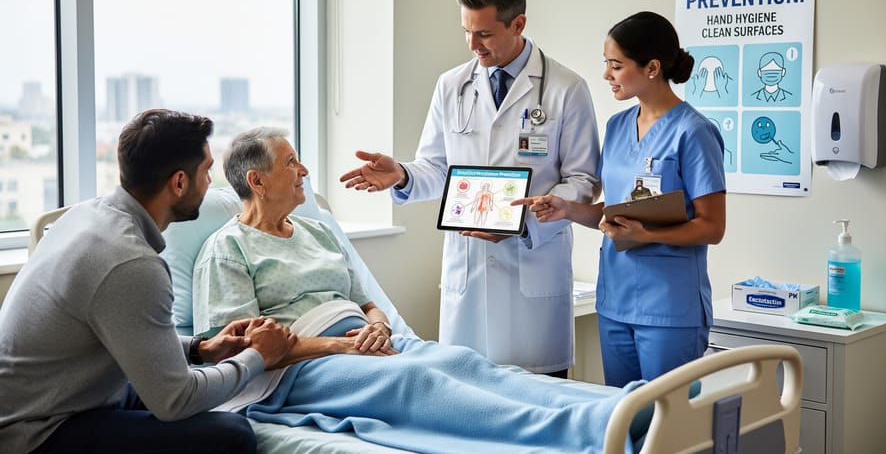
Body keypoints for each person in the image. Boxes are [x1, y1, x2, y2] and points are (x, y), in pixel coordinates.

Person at [191, 128, 645, 454]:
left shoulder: (317, 231)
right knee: (415, 380)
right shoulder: (227, 248)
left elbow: (366, 299)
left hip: (365, 341)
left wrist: (378, 326)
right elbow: (241, 350)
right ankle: (597, 429)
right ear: (257, 181)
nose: (303, 170)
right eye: (290, 162)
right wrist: (341, 346)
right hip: (300, 367)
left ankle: (623, 405)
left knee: (461, 362)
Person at [338, 0, 601, 377]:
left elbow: (583, 180)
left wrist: (520, 221)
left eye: (484, 34)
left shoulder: (566, 88)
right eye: (466, 32)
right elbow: (438, 167)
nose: (472, 45)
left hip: (533, 275)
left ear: (518, 24)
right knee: (470, 397)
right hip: (470, 277)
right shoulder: (452, 85)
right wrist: (403, 175)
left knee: (539, 402)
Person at [0, 109, 297, 454]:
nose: (210, 181)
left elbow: (126, 330)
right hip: (36, 432)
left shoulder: (85, 216)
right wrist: (258, 357)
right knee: (233, 435)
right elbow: (175, 400)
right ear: (179, 182)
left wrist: (199, 349)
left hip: (53, 399)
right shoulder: (131, 262)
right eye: (206, 171)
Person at [515, 11, 726, 387]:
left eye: (616, 66)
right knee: (624, 422)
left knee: (667, 430)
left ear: (652, 68)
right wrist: (566, 208)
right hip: (614, 302)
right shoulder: (616, 127)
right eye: (606, 65)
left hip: (670, 309)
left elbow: (712, 226)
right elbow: (614, 211)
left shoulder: (694, 132)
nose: (606, 75)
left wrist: (648, 236)